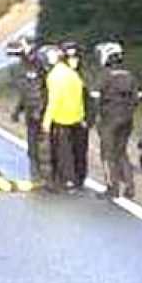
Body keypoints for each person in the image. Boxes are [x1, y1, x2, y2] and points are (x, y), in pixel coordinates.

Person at [92, 41, 142, 199]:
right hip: (127, 120)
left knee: (107, 154)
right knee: (121, 152)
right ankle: (129, 187)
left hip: (109, 120)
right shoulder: (130, 76)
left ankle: (112, 188)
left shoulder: (105, 76)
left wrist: (94, 117)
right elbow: (138, 98)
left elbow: (95, 98)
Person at [41, 45, 85, 192]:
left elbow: (54, 99)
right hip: (76, 116)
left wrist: (47, 120)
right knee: (76, 151)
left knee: (62, 152)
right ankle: (78, 179)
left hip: (61, 118)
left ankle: (67, 181)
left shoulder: (54, 76)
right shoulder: (73, 74)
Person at [10, 40, 47, 181]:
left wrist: (41, 107)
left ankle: (47, 176)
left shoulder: (39, 63)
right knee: (32, 147)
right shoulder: (22, 67)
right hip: (30, 110)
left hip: (42, 109)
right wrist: (17, 110)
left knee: (44, 145)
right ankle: (36, 176)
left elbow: (45, 88)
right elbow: (25, 92)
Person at [60, 40, 91, 187]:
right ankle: (68, 177)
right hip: (63, 117)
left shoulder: (84, 77)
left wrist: (88, 119)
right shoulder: (60, 75)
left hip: (80, 119)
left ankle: (79, 177)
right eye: (70, 58)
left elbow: (89, 100)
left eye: (75, 58)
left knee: (80, 149)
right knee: (65, 149)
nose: (73, 61)